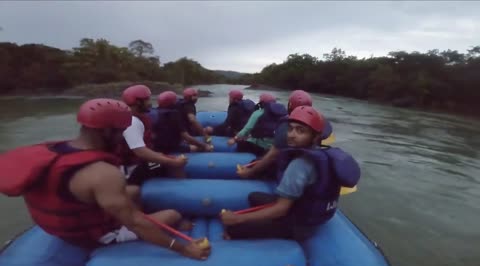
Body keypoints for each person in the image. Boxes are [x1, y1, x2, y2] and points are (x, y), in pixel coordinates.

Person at [0, 98, 210, 260]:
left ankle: (124, 212)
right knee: (172, 214)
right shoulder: (103, 174)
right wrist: (183, 248)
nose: (122, 138)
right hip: (92, 235)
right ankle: (126, 228)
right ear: (107, 130)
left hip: (61, 220)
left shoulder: (54, 149)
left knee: (134, 191)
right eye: (121, 132)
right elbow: (137, 224)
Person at [221, 106, 360, 240]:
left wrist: (238, 218)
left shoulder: (300, 164)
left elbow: (281, 209)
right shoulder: (323, 155)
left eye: (300, 131)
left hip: (299, 224)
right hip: (313, 213)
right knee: (254, 197)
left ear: (315, 136)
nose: (292, 135)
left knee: (233, 229)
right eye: (290, 129)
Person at [237, 90, 334, 179]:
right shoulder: (317, 121)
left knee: (254, 165)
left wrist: (250, 172)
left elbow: (272, 155)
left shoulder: (287, 125)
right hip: (311, 164)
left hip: (290, 167)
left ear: (290, 105)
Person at [118, 85, 187, 185]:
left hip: (138, 163)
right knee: (173, 164)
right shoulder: (132, 122)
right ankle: (182, 191)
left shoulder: (137, 118)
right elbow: (140, 152)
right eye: (147, 100)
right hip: (131, 169)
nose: (150, 103)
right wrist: (173, 162)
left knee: (166, 159)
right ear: (138, 102)